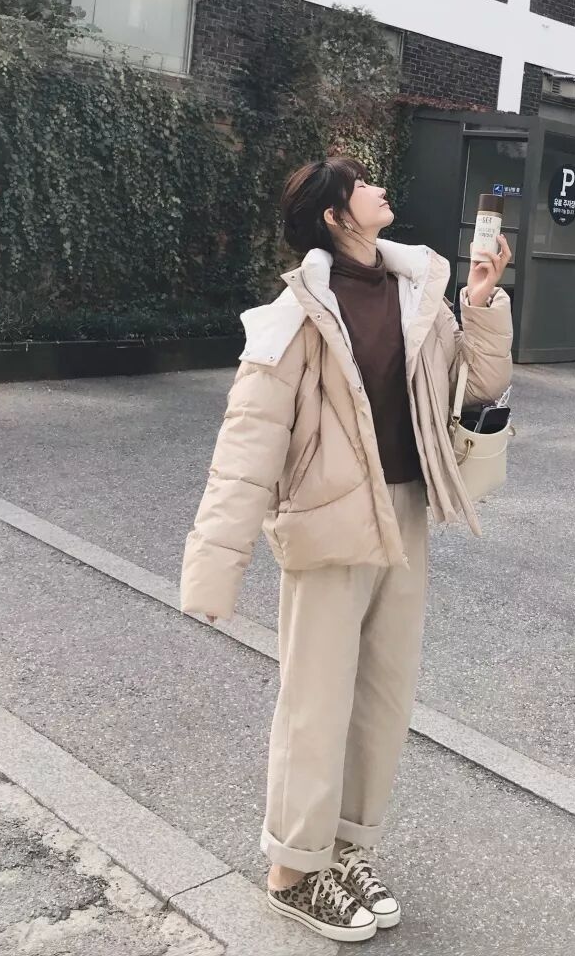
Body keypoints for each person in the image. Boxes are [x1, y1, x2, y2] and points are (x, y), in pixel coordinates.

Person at [180, 156, 512, 942]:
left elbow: (478, 388)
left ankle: (347, 850)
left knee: (382, 701)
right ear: (335, 216)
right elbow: (247, 444)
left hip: (404, 513)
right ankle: (293, 870)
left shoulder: (418, 290)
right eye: (362, 184)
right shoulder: (294, 313)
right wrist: (215, 566)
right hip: (327, 524)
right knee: (316, 705)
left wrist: (481, 302)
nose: (379, 188)